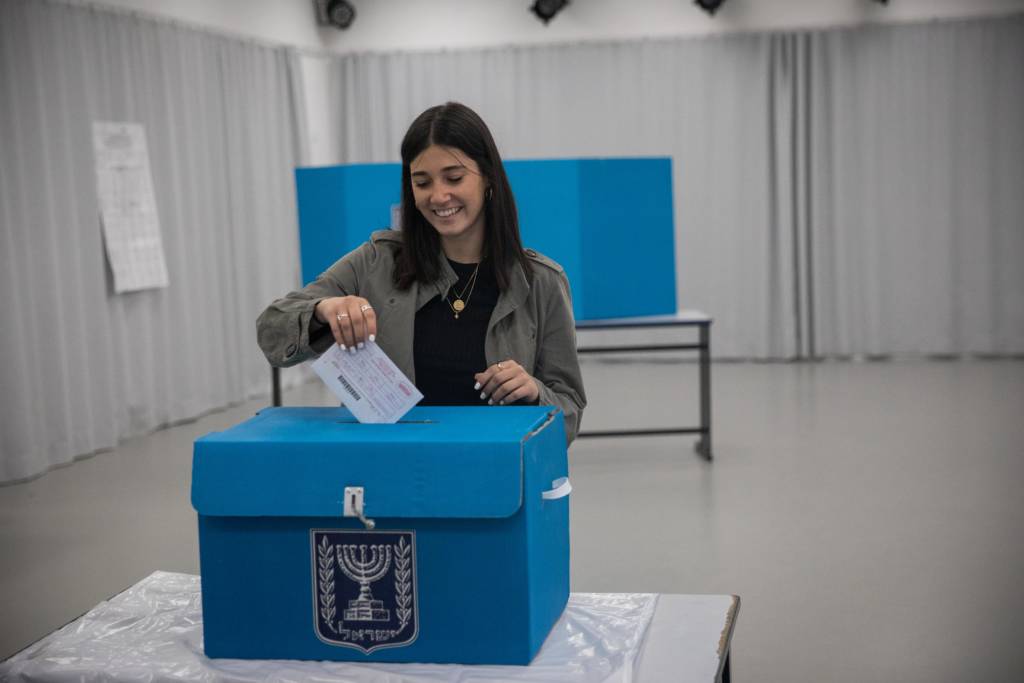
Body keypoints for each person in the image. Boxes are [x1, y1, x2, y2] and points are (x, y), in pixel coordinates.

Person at [256, 102, 586, 443]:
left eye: (454, 178)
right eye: (422, 182)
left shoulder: (542, 282)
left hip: (494, 481)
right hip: (392, 477)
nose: (439, 196)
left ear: (487, 176)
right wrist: (323, 310)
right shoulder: (376, 262)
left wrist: (533, 392)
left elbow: (569, 413)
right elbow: (271, 330)